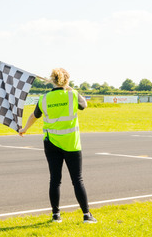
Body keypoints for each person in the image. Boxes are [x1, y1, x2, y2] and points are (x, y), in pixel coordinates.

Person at [19, 68, 97, 224]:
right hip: (71, 144)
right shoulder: (72, 95)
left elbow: (35, 116)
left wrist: (25, 129)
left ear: (52, 80)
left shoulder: (44, 98)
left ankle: (56, 215)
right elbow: (84, 105)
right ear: (66, 80)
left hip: (51, 143)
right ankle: (86, 215)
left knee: (55, 180)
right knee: (77, 180)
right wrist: (69, 88)